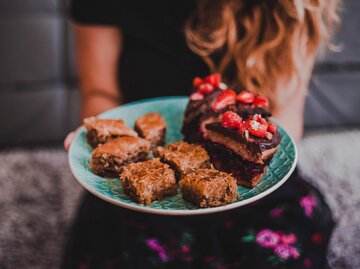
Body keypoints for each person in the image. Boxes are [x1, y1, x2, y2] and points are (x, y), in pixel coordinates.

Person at [63, 1, 340, 268]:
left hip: (257, 191)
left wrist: (256, 157)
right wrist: (106, 133)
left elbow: (287, 117)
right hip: (137, 193)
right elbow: (100, 93)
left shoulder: (294, 5)